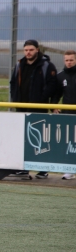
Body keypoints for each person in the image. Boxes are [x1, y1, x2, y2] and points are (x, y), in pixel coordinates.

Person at [10, 39, 57, 179]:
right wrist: (15, 100)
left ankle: (43, 169)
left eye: (31, 50)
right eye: (26, 50)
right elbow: (13, 83)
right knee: (23, 139)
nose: (28, 52)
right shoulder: (19, 65)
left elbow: (52, 85)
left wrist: (41, 99)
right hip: (21, 108)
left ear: (37, 49)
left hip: (39, 109)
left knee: (40, 141)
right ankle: (24, 169)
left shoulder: (46, 65)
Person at [51, 50, 76, 180]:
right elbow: (57, 93)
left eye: (71, 60)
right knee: (70, 142)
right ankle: (69, 170)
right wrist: (54, 105)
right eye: (67, 60)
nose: (69, 62)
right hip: (68, 114)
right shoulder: (60, 76)